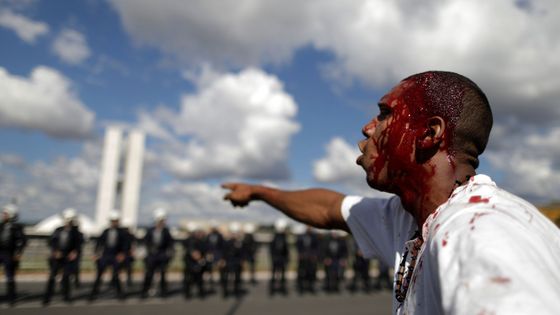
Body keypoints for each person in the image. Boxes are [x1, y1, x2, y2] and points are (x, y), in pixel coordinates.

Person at [223, 71, 560, 314]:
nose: (367, 127)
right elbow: (329, 208)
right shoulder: (411, 218)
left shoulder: (480, 232)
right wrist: (259, 191)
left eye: (385, 114)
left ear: (430, 133)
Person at [43, 208, 84, 305]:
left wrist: (74, 252)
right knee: (52, 277)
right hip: (57, 256)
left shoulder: (76, 232)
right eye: (66, 219)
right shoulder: (58, 230)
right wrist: (55, 251)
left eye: (69, 219)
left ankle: (66, 297)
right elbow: (51, 241)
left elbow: (79, 245)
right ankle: (47, 298)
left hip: (68, 258)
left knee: (66, 277)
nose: (67, 221)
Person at [89, 210, 128, 300]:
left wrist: (122, 254)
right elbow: (99, 243)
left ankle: (120, 294)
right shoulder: (105, 231)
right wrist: (96, 253)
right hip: (106, 255)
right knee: (99, 275)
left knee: (116, 275)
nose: (114, 222)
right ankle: (93, 294)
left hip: (116, 256)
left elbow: (125, 245)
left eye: (116, 220)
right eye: (112, 221)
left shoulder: (122, 232)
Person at [141, 208, 174, 298]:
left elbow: (170, 243)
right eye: (161, 220)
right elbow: (145, 242)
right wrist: (147, 253)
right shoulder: (150, 230)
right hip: (152, 256)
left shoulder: (166, 231)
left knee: (163, 274)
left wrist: (169, 254)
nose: (162, 222)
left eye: (163, 220)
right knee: (149, 274)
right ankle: (144, 291)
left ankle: (164, 292)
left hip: (162, 255)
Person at [0, 204, 26, 305]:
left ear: (11, 214)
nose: (3, 215)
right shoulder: (1, 225)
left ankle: (11, 298)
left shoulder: (17, 227)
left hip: (9, 254)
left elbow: (22, 241)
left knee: (10, 276)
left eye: (5, 213)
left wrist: (18, 253)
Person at [220, 222, 245, 298]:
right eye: (233, 233)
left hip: (236, 262)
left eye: (235, 233)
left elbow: (242, 253)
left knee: (237, 278)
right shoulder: (226, 242)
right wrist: (222, 260)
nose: (234, 234)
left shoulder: (239, 243)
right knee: (225, 278)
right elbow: (223, 252)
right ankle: (225, 292)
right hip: (228, 262)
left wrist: (242, 261)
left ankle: (236, 291)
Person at [183, 222, 207, 299]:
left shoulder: (200, 240)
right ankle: (188, 293)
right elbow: (190, 251)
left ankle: (200, 293)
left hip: (197, 262)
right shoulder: (188, 241)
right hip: (189, 262)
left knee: (198, 278)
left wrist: (202, 258)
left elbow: (202, 251)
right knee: (189, 279)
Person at [294, 225, 320, 294]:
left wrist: (314, 255)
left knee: (311, 273)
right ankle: (301, 288)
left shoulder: (314, 237)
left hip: (311, 258)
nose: (309, 228)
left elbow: (316, 247)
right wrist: (300, 254)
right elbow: (298, 246)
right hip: (303, 258)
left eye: (310, 227)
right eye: (308, 227)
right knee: (302, 273)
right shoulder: (301, 236)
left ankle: (311, 287)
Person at [268, 219, 289, 295]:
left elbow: (286, 250)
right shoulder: (274, 237)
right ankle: (272, 290)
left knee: (283, 275)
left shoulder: (284, 237)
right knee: (273, 275)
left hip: (282, 259)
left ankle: (283, 289)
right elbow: (271, 249)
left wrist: (286, 259)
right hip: (276, 259)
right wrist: (273, 258)